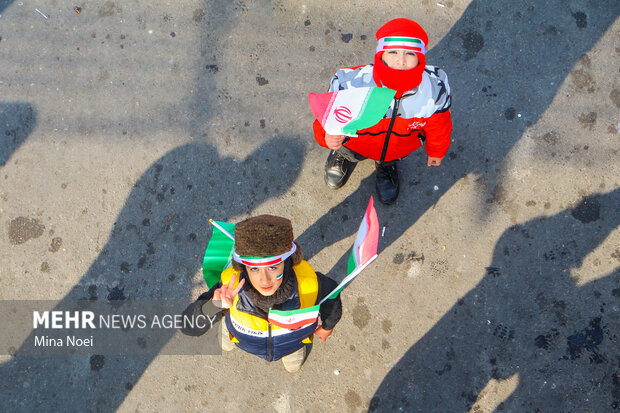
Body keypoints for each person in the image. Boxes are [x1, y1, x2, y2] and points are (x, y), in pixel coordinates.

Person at [313, 18, 452, 205]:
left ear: (421, 58)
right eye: (393, 51)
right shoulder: (350, 84)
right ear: (380, 54)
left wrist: (436, 150)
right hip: (355, 142)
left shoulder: (435, 90)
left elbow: (439, 126)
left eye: (410, 53)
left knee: (389, 157)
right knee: (350, 151)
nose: (401, 61)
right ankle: (343, 156)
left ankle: (386, 165)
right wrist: (327, 136)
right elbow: (326, 119)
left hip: (398, 147)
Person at [182, 215, 342, 373]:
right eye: (254, 269)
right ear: (243, 267)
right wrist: (214, 306)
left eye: (272, 267)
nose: (264, 280)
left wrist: (328, 325)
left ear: (287, 262)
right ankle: (230, 336)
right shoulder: (229, 285)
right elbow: (188, 327)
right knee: (226, 339)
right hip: (239, 335)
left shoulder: (311, 283)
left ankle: (291, 353)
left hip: (292, 345)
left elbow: (332, 298)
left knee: (292, 366)